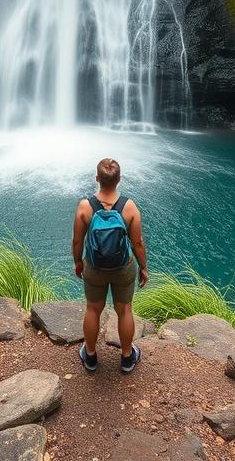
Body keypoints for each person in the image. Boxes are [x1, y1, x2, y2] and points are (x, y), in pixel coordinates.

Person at [71, 157, 149, 373]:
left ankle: (91, 357)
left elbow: (77, 240)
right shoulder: (129, 207)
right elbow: (138, 243)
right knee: (124, 310)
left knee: (93, 309)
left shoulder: (85, 207)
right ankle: (126, 358)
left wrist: (78, 262)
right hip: (123, 267)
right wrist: (143, 267)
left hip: (94, 267)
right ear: (119, 179)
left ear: (97, 178)